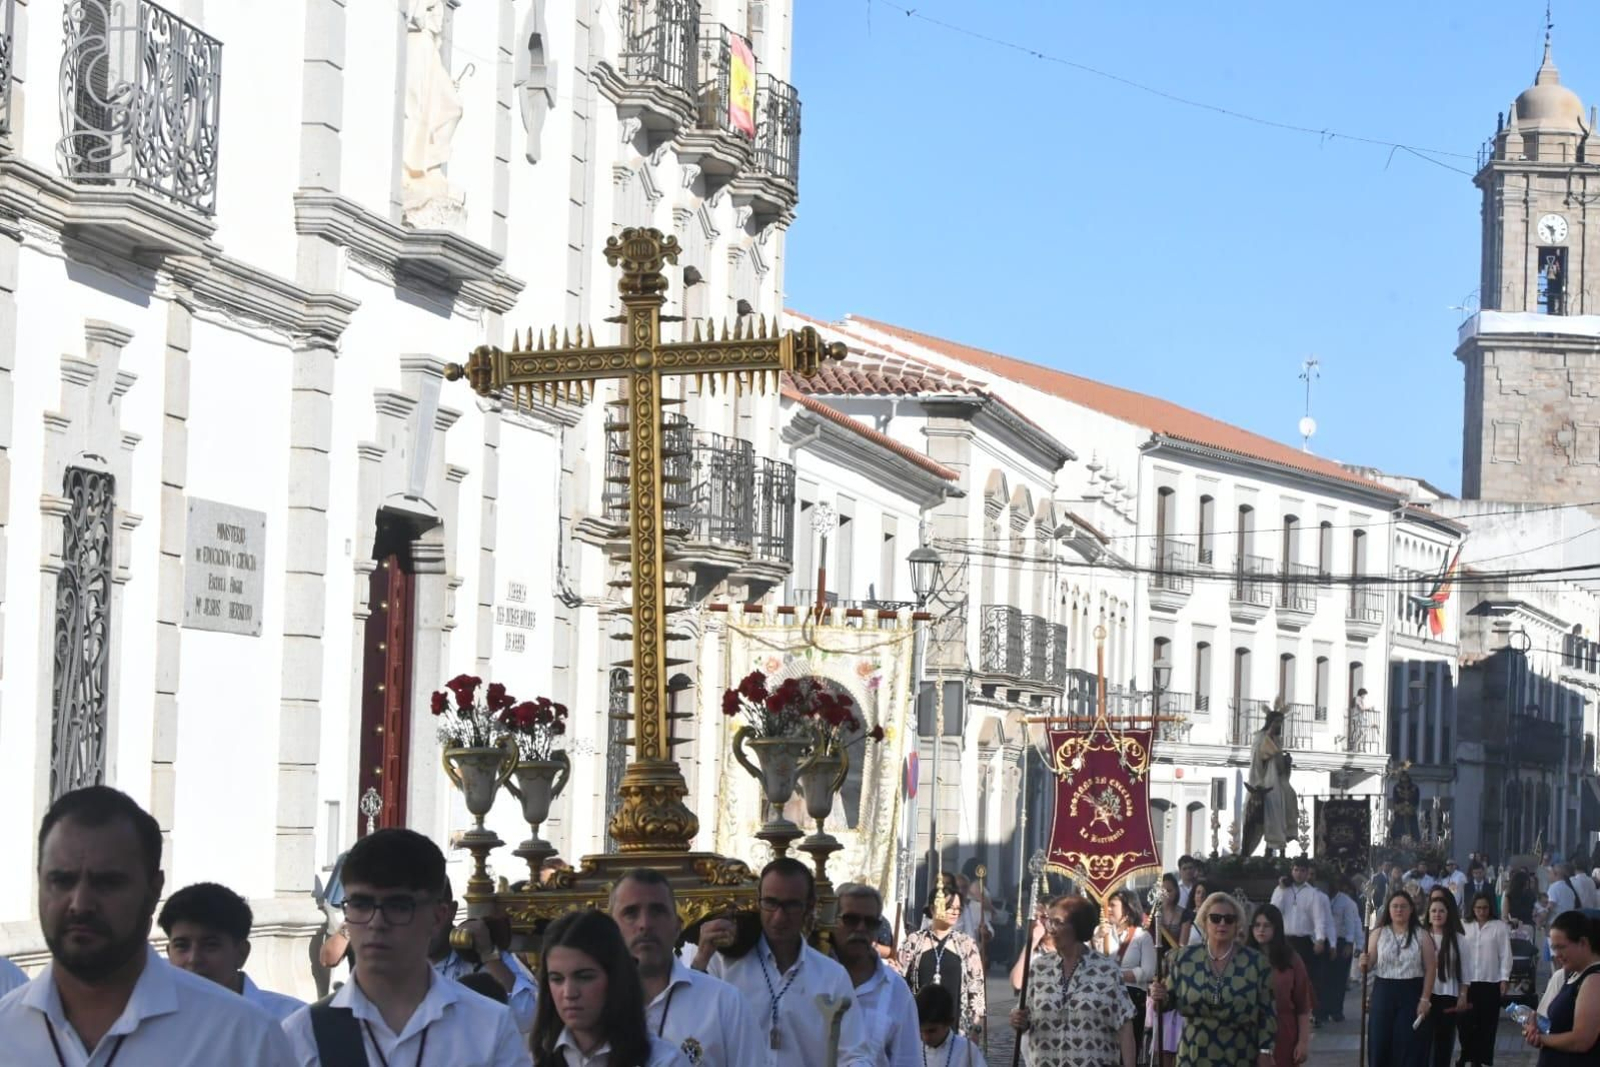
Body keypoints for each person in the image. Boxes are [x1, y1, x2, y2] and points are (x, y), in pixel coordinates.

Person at [0, 785, 297, 1066]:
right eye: (61, 880)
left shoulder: (243, 1040)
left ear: (154, 889)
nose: (80, 903)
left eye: (108, 882)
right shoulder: (7, 1030)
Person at [281, 827, 530, 1066]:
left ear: (438, 916)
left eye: (398, 906)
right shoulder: (304, 1035)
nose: (376, 923)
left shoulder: (488, 1027)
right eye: (361, 904)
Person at [701, 857, 873, 1067]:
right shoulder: (723, 964)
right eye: (771, 903)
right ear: (758, 900)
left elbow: (854, 1053)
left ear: (809, 907)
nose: (779, 917)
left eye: (791, 905)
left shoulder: (832, 976)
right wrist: (701, 958)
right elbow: (697, 1037)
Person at [610, 868, 761, 1067]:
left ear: (678, 926)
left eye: (657, 911)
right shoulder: (589, 1005)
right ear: (610, 928)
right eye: (631, 913)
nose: (645, 924)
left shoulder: (724, 1004)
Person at [530, 909, 687, 1067]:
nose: (569, 993)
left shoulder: (663, 1061)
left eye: (585, 977)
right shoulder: (534, 1058)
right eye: (557, 979)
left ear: (616, 978)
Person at [1148, 891, 1275, 1067]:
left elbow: (1267, 1012)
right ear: (1204, 922)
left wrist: (1266, 1051)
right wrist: (1158, 996)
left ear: (1237, 924)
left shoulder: (1256, 963)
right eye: (1215, 918)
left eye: (1229, 919)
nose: (1222, 923)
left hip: (1240, 1054)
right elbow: (1166, 1003)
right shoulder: (1182, 959)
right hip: (1193, 1055)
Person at [1009, 895, 1136, 1067]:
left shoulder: (1106, 970)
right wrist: (1018, 1019)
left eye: (1058, 922)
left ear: (1078, 926)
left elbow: (1124, 1025)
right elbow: (1025, 1018)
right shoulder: (1039, 968)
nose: (1050, 929)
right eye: (1049, 922)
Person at [158, 881, 306, 1022]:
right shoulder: (153, 1022)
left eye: (210, 945)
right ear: (168, 952)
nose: (193, 959)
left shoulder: (291, 1022)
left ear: (241, 953)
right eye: (182, 946)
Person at [429, 877, 538, 1035]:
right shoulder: (394, 963)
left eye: (434, 915)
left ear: (451, 911)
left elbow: (528, 1018)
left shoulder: (480, 955)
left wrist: (487, 955)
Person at [834, 883, 920, 1067]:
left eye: (870, 922)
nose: (861, 928)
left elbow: (908, 1060)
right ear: (832, 920)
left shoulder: (897, 991)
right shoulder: (811, 977)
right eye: (851, 920)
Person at [897, 874, 986, 1039]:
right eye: (949, 907)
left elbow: (977, 988)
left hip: (956, 1023)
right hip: (919, 1025)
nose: (954, 912)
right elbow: (898, 980)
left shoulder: (966, 944)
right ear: (933, 908)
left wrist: (976, 1026)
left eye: (958, 908)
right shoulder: (914, 941)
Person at [1358, 890, 1437, 1067]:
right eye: (1395, 906)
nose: (1399, 910)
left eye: (1403, 906)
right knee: (1380, 1040)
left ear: (1411, 910)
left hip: (1411, 991)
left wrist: (1425, 998)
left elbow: (1431, 967)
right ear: (1389, 909)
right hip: (1384, 990)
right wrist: (1363, 961)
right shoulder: (1379, 933)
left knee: (1408, 1041)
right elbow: (1369, 963)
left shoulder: (1422, 935)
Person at [1522, 910, 1600, 1064]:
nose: (1556, 954)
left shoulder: (1594, 979)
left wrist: (1542, 1039)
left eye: (1561, 947)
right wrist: (1535, 1024)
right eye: (1554, 948)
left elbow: (1581, 1040)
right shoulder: (1572, 974)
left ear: (1583, 943)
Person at [1271, 858, 1333, 1026]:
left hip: (1304, 941)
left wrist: (1320, 939)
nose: (1299, 874)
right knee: (1284, 976)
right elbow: (1274, 911)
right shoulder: (1282, 889)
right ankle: (1284, 1011)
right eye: (1296, 870)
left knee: (1308, 977)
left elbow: (1319, 918)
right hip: (1285, 939)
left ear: (1307, 873)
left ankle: (1312, 1012)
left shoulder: (1313, 894)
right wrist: (1282, 890)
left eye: (1302, 871)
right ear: (1291, 870)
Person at [1092, 889, 1154, 1054]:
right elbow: (1090, 964)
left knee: (1127, 1050)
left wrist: (1116, 975)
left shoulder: (1143, 936)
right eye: (1107, 905)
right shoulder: (1100, 933)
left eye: (1113, 905)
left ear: (1127, 909)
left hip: (1132, 997)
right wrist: (1096, 939)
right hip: (1103, 997)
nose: (1108, 909)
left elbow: (1148, 972)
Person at [1250, 904, 1311, 1067]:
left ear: (1276, 928)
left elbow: (1303, 1006)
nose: (1261, 930)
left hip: (1283, 1031)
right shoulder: (1244, 958)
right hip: (1249, 1033)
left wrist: (1303, 1042)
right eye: (1257, 925)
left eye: (1266, 925)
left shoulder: (1291, 959)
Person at [1459, 891, 1511, 1067]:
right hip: (1467, 982)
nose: (1481, 911)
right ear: (1472, 908)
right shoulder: (1464, 925)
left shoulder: (1499, 927)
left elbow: (1505, 954)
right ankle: (1467, 1055)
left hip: (1490, 981)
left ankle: (1481, 1060)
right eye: (1478, 908)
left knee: (1487, 1024)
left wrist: (1504, 978)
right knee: (1466, 1023)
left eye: (1485, 908)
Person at [1146, 874, 1186, 1067]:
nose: (1165, 894)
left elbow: (1183, 946)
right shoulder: (1154, 915)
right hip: (1158, 967)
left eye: (1169, 890)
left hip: (1179, 967)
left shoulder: (1184, 914)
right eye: (1162, 890)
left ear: (1177, 892)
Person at [1424, 893, 1468, 1067]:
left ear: (1448, 914)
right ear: (1428, 914)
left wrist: (1463, 994)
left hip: (1447, 995)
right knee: (1425, 1042)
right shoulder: (1421, 937)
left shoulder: (1459, 940)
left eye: (1441, 911)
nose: (1437, 914)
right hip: (1425, 996)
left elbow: (1466, 971)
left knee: (1444, 1041)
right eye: (1433, 911)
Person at [917, 985, 986, 1067]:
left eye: (931, 1031)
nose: (926, 1037)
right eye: (921, 1031)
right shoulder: (913, 1049)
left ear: (948, 1022)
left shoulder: (967, 1050)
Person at [1328, 877, 1362, 1021]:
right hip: (1326, 942)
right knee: (1326, 979)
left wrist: (1354, 944)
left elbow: (1354, 924)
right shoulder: (1323, 899)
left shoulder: (1347, 903)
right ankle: (1324, 1009)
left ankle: (1337, 1010)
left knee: (1339, 979)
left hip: (1342, 942)